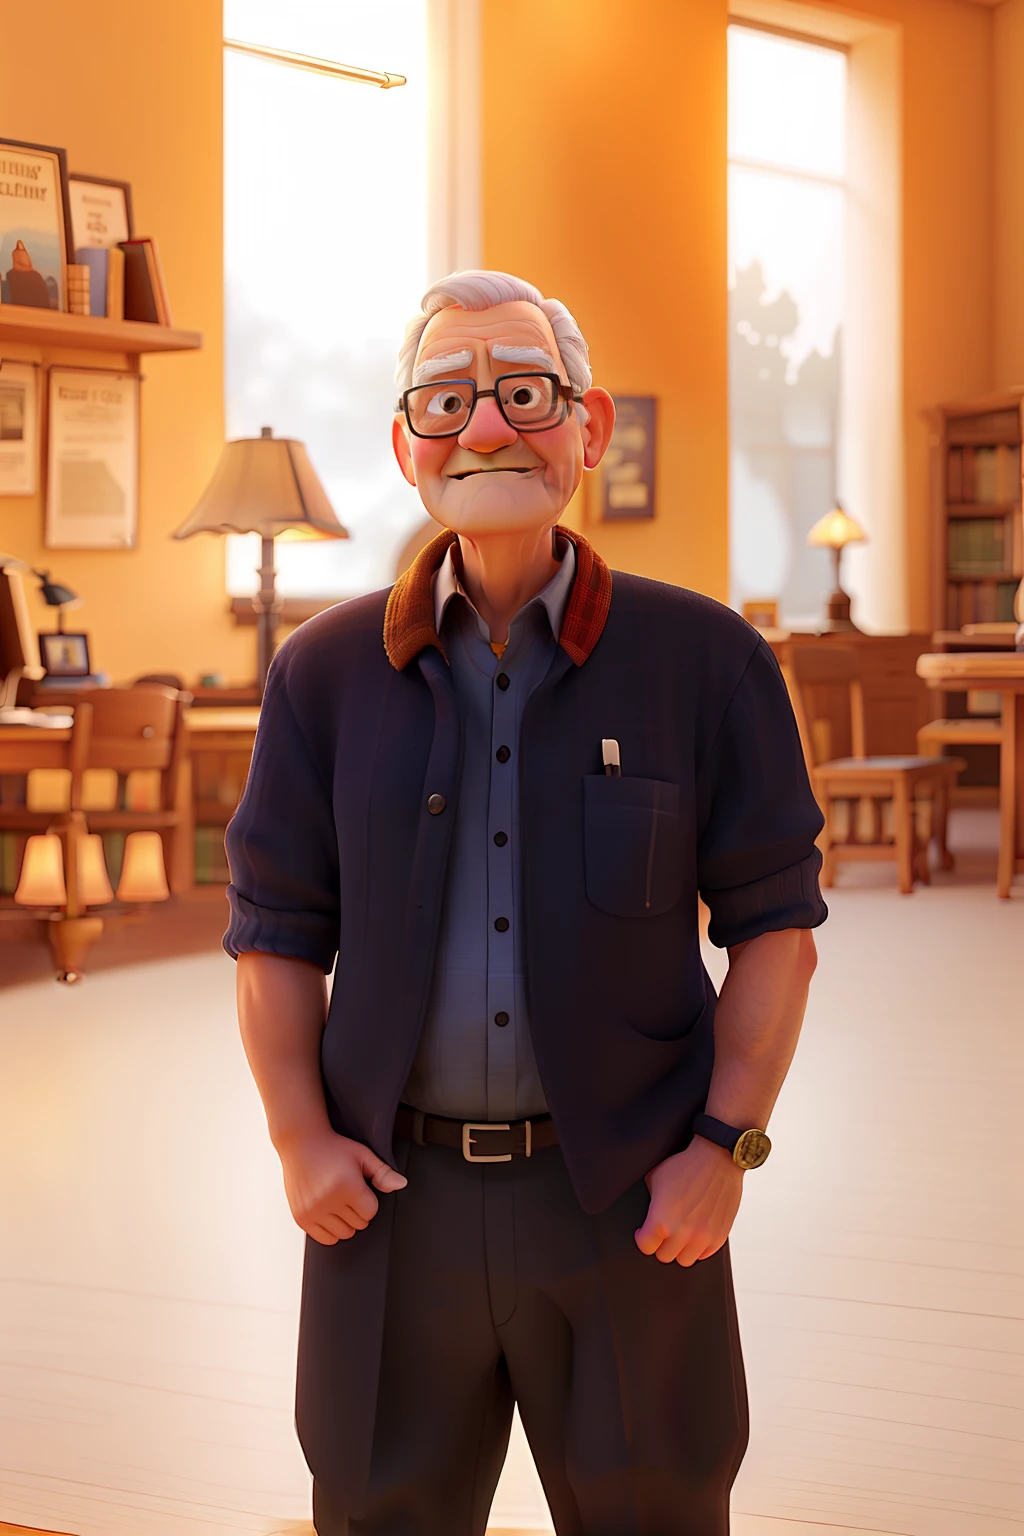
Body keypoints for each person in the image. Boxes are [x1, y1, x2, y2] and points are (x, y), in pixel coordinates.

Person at [225, 269, 827, 1536]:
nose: (485, 426)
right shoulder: (320, 677)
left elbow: (774, 928)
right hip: (388, 1211)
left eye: (521, 391)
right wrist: (298, 1141)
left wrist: (723, 1153)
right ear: (405, 445)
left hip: (630, 1209)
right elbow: (275, 936)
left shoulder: (707, 661)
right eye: (446, 401)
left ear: (585, 427)